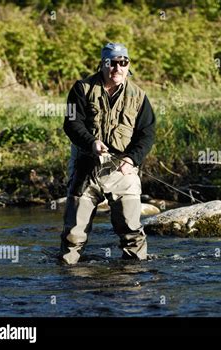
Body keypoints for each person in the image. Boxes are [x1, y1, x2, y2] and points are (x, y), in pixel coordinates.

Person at [60, 43, 156, 265]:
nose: (117, 68)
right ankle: (69, 283)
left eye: (123, 63)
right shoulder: (81, 88)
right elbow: (72, 123)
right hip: (86, 167)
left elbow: (147, 133)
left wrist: (132, 159)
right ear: (102, 64)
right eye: (111, 63)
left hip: (122, 168)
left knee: (132, 233)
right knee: (73, 235)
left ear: (128, 65)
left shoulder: (139, 96)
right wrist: (91, 142)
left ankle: (132, 279)